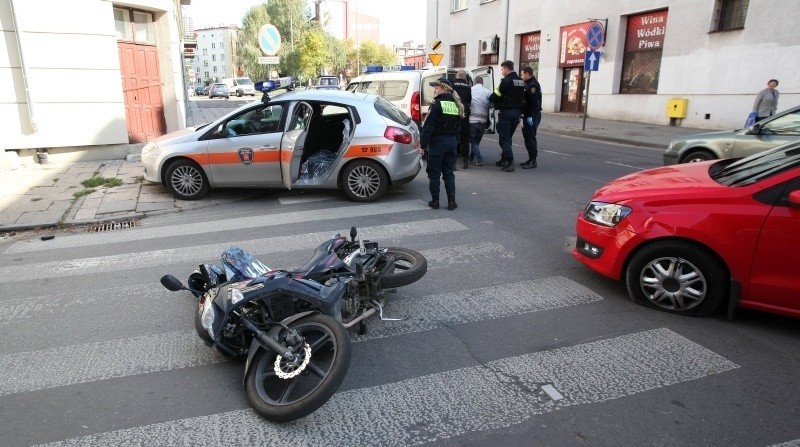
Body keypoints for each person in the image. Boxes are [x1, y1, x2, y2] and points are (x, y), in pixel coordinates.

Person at [420, 78, 463, 211]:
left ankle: (435, 201)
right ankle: (451, 202)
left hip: (438, 142)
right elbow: (458, 127)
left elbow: (429, 127)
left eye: (437, 87)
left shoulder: (437, 104)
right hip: (451, 142)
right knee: (449, 173)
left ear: (444, 88)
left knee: (434, 173)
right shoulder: (456, 104)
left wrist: (422, 145)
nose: (435, 89)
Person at [489, 60, 525, 172]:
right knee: (508, 138)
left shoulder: (506, 81)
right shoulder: (520, 81)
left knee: (504, 139)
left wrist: (491, 99)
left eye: (502, 69)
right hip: (516, 113)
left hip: (506, 113)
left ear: (506, 68)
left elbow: (495, 96)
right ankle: (504, 159)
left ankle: (509, 162)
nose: (502, 72)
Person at [520, 66, 542, 169]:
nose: (521, 76)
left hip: (532, 115)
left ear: (527, 74)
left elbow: (534, 104)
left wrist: (529, 117)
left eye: (522, 74)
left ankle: (533, 160)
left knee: (530, 136)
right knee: (527, 136)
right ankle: (530, 158)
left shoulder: (533, 85)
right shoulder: (528, 84)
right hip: (529, 115)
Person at [468, 77, 491, 166]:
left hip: (472, 120)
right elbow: (492, 104)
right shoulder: (487, 92)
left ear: (474, 82)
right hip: (483, 121)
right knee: (476, 142)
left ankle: (480, 159)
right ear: (482, 83)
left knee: (473, 142)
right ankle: (471, 158)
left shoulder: (470, 90)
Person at [452, 70, 472, 169]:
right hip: (464, 115)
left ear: (457, 76)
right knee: (465, 138)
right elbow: (469, 101)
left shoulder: (452, 85)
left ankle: (453, 162)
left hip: (453, 114)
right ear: (464, 78)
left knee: (454, 137)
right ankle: (465, 161)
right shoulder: (468, 87)